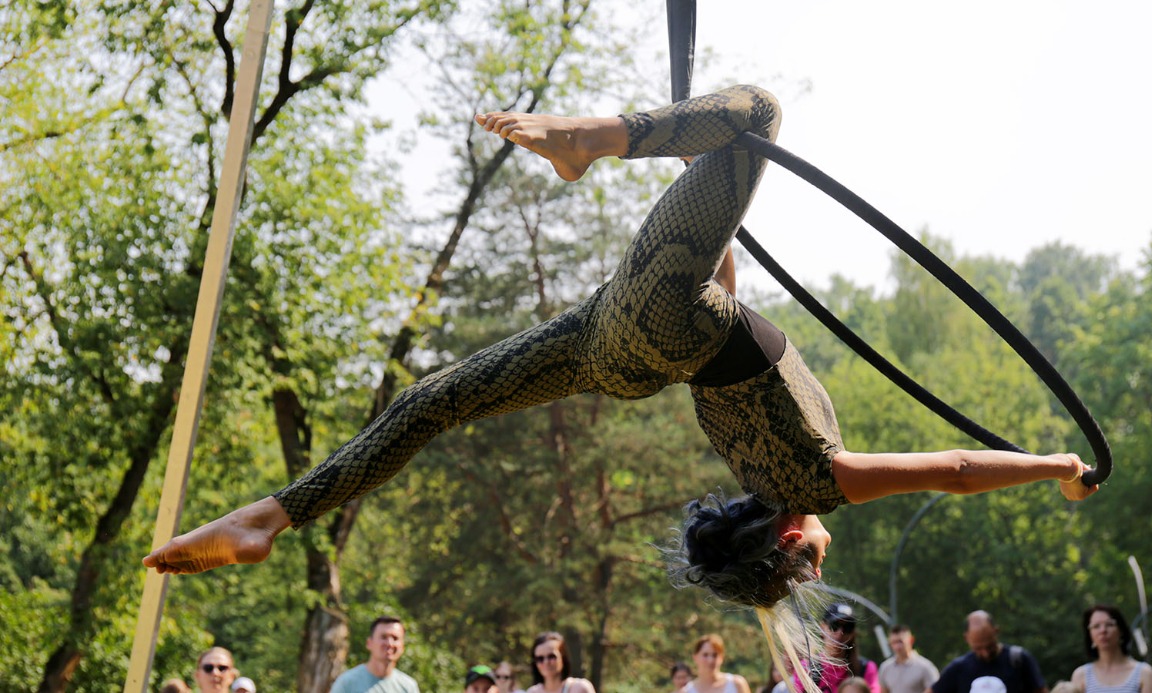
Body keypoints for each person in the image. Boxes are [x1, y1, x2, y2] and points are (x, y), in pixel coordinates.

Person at [142, 85, 1097, 671]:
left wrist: (1053, 461)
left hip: (647, 322)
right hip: (619, 346)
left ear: (798, 540)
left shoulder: (822, 478)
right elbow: (727, 305)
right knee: (437, 401)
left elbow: (962, 468)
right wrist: (709, 188)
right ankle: (274, 513)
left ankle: (585, 139)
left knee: (758, 112)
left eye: (815, 559)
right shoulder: (757, 465)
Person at [927, 611, 1046, 693]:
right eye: (978, 648)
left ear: (996, 631)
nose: (985, 653)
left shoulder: (1019, 661)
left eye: (990, 646)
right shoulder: (958, 668)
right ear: (966, 638)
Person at [1068, 605, 1152, 693]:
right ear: (1090, 634)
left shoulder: (1144, 673)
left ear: (1121, 630)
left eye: (1109, 624)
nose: (1103, 630)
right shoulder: (1080, 675)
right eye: (1096, 626)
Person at [330, 616, 420, 693]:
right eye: (383, 637)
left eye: (395, 638)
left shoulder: (408, 687)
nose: (389, 643)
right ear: (369, 643)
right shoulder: (347, 683)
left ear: (402, 647)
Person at [800, 604, 878, 693]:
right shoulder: (806, 668)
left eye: (847, 628)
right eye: (834, 626)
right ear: (822, 628)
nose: (840, 632)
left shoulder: (865, 668)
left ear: (853, 633)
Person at [526, 631, 595, 693]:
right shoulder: (532, 691)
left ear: (563, 657)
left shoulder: (580, 688)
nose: (546, 662)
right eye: (540, 659)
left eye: (551, 656)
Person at [880, 624, 939, 693]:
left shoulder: (925, 667)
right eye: (893, 642)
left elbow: (937, 690)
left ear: (911, 640)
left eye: (900, 642)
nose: (897, 647)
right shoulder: (885, 668)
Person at [685, 633, 752, 693]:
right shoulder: (687, 691)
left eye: (715, 655)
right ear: (695, 657)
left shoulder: (737, 684)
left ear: (722, 657)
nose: (710, 660)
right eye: (705, 655)